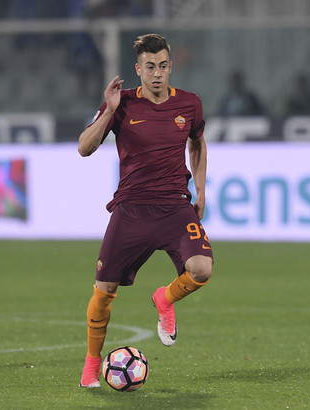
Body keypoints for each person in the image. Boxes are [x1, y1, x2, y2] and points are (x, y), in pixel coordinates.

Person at [77, 33, 213, 388]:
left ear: (171, 67)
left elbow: (197, 143)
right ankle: (91, 366)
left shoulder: (189, 104)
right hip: (132, 209)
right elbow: (84, 148)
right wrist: (109, 110)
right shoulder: (122, 103)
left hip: (174, 206)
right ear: (138, 69)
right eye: (150, 67)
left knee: (202, 269)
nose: (157, 73)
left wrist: (200, 190)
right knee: (103, 290)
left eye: (163, 66)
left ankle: (164, 298)